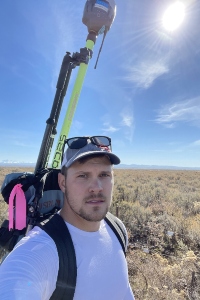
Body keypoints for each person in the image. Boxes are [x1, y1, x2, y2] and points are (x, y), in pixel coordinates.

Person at [0, 136, 135, 300]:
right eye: (83, 176)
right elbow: (16, 281)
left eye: (104, 175)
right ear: (62, 183)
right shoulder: (40, 249)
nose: (96, 187)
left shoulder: (117, 229)